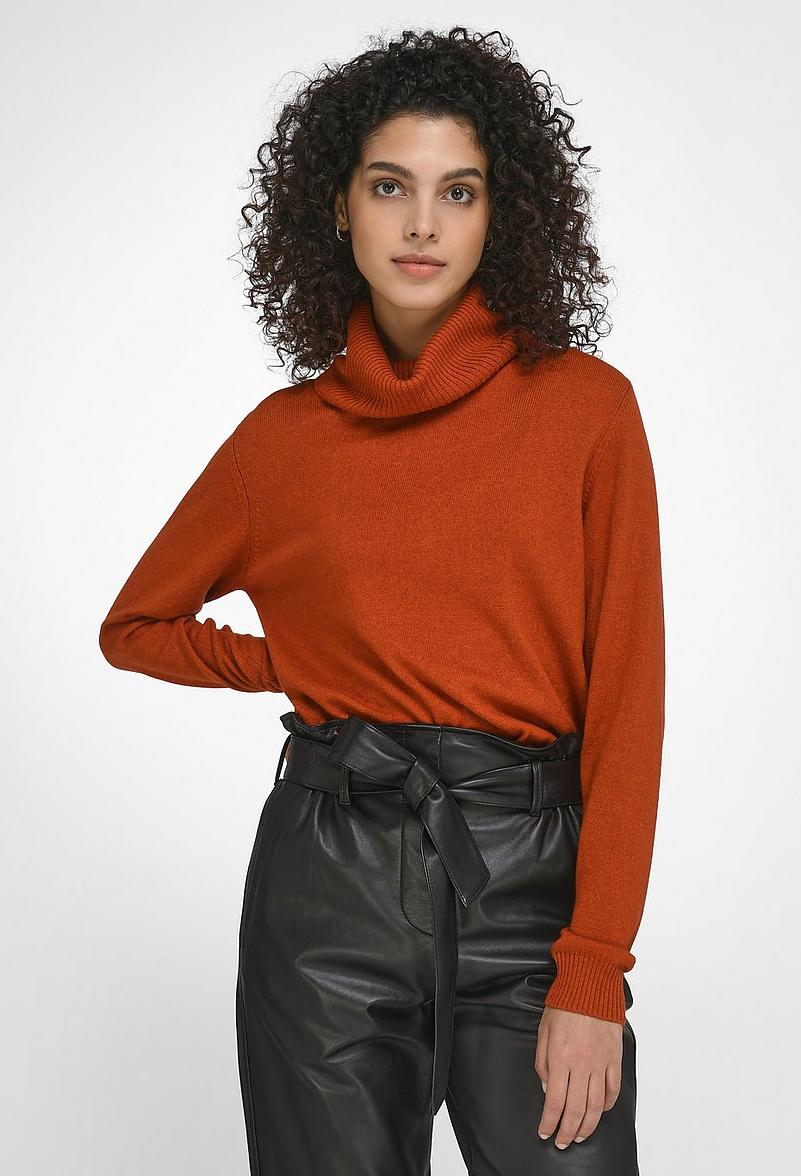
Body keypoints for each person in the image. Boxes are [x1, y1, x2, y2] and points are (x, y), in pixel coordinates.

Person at [98, 25, 665, 1176]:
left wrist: (594, 967)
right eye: (390, 186)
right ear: (339, 209)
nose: (422, 225)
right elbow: (134, 627)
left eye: (458, 192)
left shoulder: (587, 411)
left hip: (527, 886)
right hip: (327, 887)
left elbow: (629, 703)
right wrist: (288, 663)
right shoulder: (281, 443)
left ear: (501, 214)